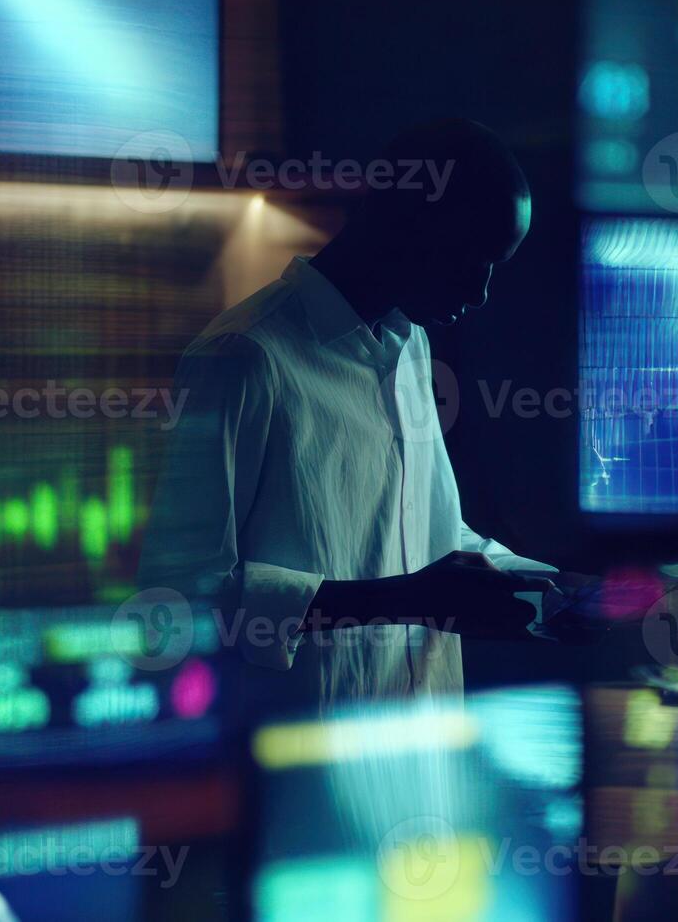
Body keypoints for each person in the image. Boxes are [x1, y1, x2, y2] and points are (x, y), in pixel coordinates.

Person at [138, 118, 573, 716]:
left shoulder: (409, 345)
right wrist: (405, 600)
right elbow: (180, 599)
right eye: (473, 258)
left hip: (425, 753)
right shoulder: (243, 358)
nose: (482, 294)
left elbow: (427, 538)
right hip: (311, 770)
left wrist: (553, 584)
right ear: (407, 221)